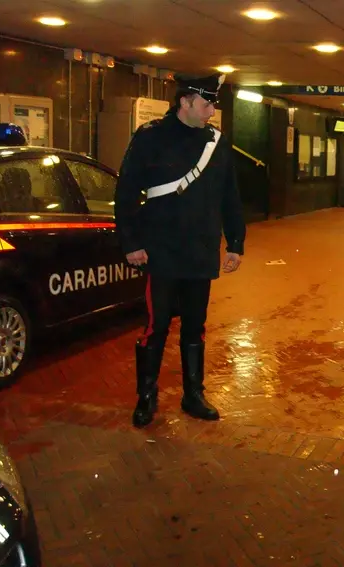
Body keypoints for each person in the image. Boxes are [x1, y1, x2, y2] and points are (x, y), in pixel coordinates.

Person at [113, 72, 246, 428]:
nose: (211, 113)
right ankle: (146, 395)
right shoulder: (150, 138)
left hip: (201, 251)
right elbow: (126, 193)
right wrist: (132, 243)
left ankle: (193, 394)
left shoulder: (217, 143)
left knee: (196, 326)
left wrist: (235, 242)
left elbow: (229, 195)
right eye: (206, 104)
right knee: (155, 327)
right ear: (185, 101)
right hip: (161, 251)